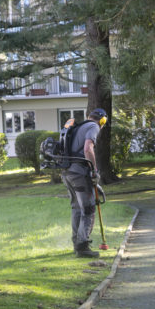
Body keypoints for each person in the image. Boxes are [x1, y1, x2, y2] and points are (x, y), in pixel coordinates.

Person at [61, 108, 107, 258]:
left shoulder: (80, 126)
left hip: (67, 173)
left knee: (77, 208)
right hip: (80, 173)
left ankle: (77, 244)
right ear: (102, 120)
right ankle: (83, 247)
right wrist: (94, 170)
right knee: (88, 209)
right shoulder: (93, 126)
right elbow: (88, 148)